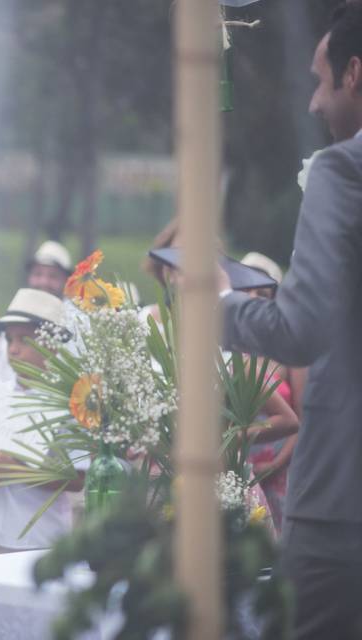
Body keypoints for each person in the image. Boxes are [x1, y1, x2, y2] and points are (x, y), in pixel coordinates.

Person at [219, 3, 362, 636]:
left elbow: (301, 329)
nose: (313, 103)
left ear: (354, 73)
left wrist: (217, 306)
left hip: (343, 497)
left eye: (320, 80)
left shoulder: (342, 169)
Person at [0, 289, 86, 554]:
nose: (14, 349)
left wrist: (17, 469)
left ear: (52, 344)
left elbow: (78, 479)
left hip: (40, 537)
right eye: (10, 339)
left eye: (25, 340)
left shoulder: (70, 400)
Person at [239, 252, 306, 530]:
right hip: (239, 465)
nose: (254, 297)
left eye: (263, 292)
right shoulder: (226, 350)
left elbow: (303, 420)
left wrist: (276, 464)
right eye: (246, 289)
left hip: (282, 465)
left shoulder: (289, 350)